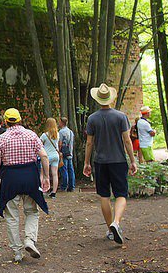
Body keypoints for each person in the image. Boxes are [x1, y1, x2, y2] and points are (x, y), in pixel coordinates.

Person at [0, 108, 50, 263]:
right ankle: (30, 240)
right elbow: (44, 155)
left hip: (10, 177)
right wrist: (46, 177)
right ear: (19, 119)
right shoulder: (31, 135)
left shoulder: (2, 138)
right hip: (30, 176)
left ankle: (17, 251)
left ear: (5, 121)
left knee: (11, 216)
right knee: (31, 211)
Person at [83, 84, 138, 245]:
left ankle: (110, 229)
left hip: (100, 162)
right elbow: (127, 140)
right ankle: (117, 222)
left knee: (104, 196)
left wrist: (87, 162)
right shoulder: (121, 117)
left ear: (98, 99)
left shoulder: (92, 118)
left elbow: (89, 143)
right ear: (111, 98)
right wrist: (132, 160)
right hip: (119, 161)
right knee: (121, 194)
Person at [39, 117, 62, 198]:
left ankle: (42, 190)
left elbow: (39, 145)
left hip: (46, 156)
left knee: (43, 174)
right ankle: (53, 192)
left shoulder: (44, 135)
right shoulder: (57, 134)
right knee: (55, 174)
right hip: (55, 155)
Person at [58, 117, 75, 192]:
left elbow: (60, 143)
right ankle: (71, 186)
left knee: (64, 169)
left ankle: (64, 186)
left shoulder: (61, 132)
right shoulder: (71, 132)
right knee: (70, 170)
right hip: (70, 153)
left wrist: (58, 151)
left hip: (63, 153)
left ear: (62, 122)